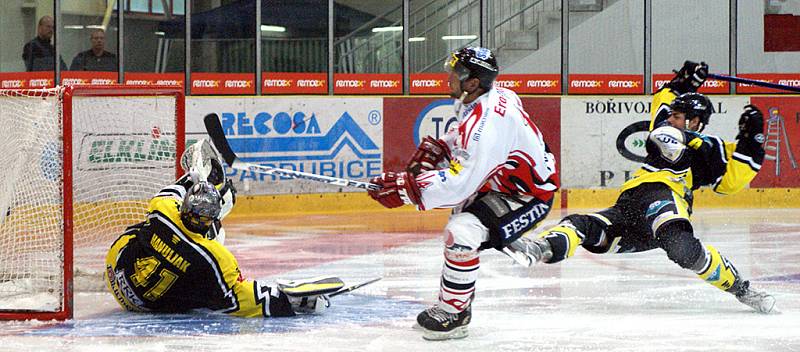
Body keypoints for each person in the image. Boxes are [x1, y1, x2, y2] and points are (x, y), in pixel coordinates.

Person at [509, 61, 777, 314]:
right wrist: (685, 81)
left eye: (678, 116)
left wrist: (751, 141)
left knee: (682, 249)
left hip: (665, 197)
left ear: (695, 122)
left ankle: (742, 289)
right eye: (671, 114)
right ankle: (541, 249)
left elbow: (732, 182)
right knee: (583, 225)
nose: (670, 119)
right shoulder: (667, 130)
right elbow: (664, 102)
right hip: (630, 206)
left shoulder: (711, 148)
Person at [367, 47, 559, 340]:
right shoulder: (484, 97)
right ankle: (464, 287)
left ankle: (455, 313)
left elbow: (460, 184)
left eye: (454, 75)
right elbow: (464, 134)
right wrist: (442, 146)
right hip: (500, 183)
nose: (448, 79)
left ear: (472, 82)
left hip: (527, 197)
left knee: (462, 231)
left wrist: (406, 188)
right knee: (463, 217)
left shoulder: (489, 125)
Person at [104, 140, 343, 317]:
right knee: (209, 289)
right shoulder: (213, 257)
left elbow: (182, 184)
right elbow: (239, 299)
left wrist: (201, 178)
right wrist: (290, 302)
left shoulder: (163, 207)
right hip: (146, 307)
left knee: (144, 230)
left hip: (115, 272)